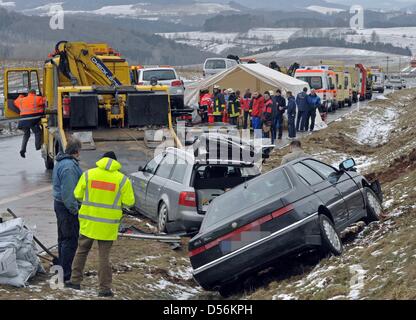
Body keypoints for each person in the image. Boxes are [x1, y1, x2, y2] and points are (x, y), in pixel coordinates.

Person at [67, 151, 135, 297]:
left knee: (81, 251)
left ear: (101, 160)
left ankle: (75, 280)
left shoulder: (88, 174)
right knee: (104, 257)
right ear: (115, 162)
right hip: (108, 226)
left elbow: (77, 195)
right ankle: (104, 289)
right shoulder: (122, 180)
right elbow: (130, 202)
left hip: (88, 223)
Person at [52, 138, 83, 282]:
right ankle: (65, 274)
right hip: (66, 208)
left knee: (63, 239)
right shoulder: (69, 167)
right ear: (76, 151)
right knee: (70, 240)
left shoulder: (61, 162)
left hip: (59, 205)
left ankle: (61, 270)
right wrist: (75, 210)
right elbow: (69, 193)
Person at [14, 89, 46, 158]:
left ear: (28, 93)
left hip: (23, 120)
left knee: (26, 135)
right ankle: (37, 146)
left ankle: (22, 149)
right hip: (33, 120)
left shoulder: (22, 100)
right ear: (35, 93)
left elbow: (15, 101)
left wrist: (21, 96)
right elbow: (45, 101)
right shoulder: (37, 98)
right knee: (37, 132)